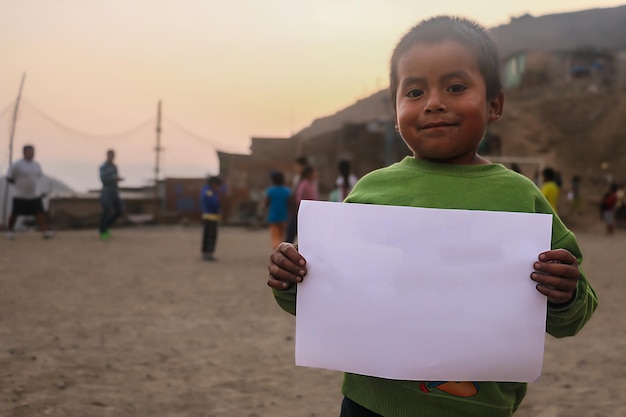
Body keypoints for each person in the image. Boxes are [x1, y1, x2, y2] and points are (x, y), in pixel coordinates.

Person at [267, 16, 597, 417]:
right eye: (415, 91)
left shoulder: (520, 198)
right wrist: (291, 278)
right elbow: (324, 299)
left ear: (495, 104)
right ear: (395, 109)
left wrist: (565, 293)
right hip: (371, 405)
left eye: (456, 87)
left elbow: (571, 317)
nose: (434, 102)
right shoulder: (372, 192)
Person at [5, 144, 55, 240]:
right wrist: (19, 185)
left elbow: (38, 177)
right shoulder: (17, 165)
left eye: (32, 152)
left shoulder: (36, 165)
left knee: (40, 212)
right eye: (29, 152)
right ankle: (10, 231)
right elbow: (10, 178)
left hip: (34, 194)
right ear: (24, 153)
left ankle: (44, 232)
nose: (31, 154)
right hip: (20, 195)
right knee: (15, 213)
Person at [99, 149, 124, 240]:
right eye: (110, 155)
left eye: (112, 156)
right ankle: (103, 232)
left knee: (120, 211)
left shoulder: (114, 167)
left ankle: (106, 226)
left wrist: (117, 179)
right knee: (106, 211)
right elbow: (104, 179)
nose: (111, 157)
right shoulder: (103, 167)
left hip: (115, 192)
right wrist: (114, 179)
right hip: (106, 193)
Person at [285, 156, 311, 243]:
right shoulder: (298, 178)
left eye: (296, 166)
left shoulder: (307, 180)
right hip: (296, 209)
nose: (295, 168)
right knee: (291, 233)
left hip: (302, 209)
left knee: (300, 234)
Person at [264, 170, 292, 249]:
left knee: (275, 236)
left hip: (273, 216)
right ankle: (282, 250)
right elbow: (290, 204)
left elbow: (266, 203)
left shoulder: (270, 191)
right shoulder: (287, 191)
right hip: (284, 216)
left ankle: (277, 251)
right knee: (281, 236)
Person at [200, 176, 222, 261]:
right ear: (214, 184)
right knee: (211, 236)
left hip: (208, 216)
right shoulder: (209, 192)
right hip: (211, 216)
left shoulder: (206, 190)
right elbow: (214, 203)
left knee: (207, 236)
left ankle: (206, 253)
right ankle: (208, 253)